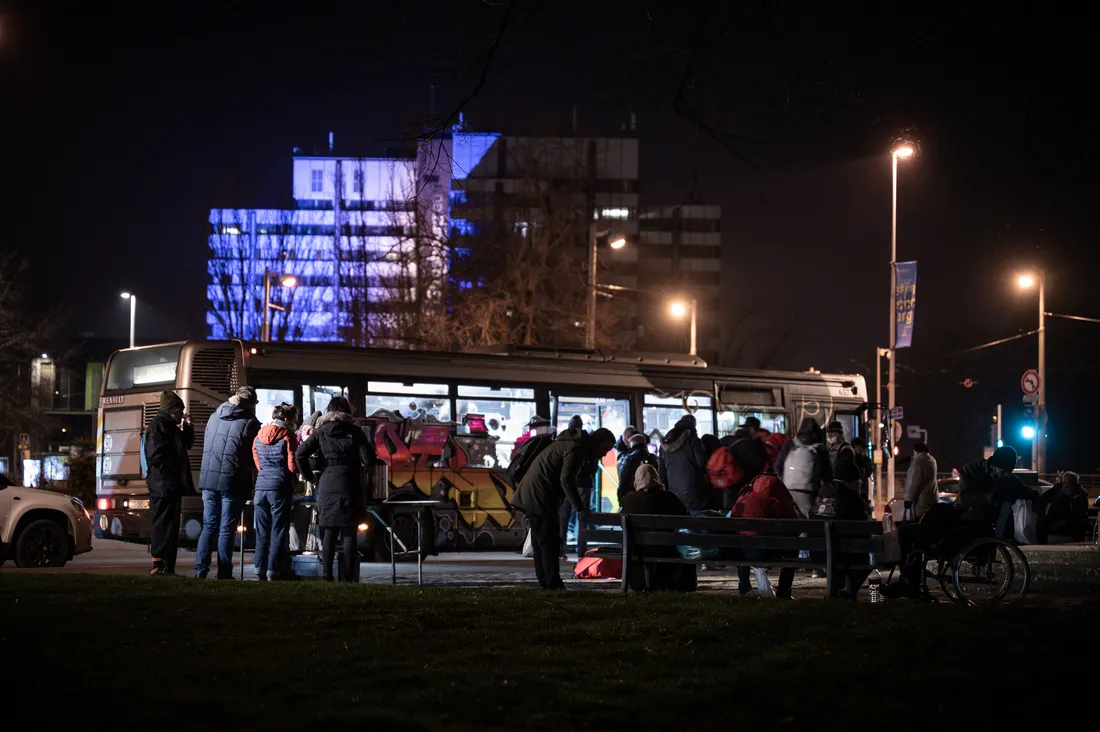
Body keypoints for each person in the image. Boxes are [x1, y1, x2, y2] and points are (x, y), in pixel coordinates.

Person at [510, 427, 616, 589]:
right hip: (539, 496)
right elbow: (566, 480)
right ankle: (553, 584)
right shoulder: (576, 449)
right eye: (604, 449)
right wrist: (580, 508)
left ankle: (546, 582)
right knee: (549, 541)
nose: (604, 454)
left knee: (541, 542)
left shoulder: (570, 444)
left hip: (532, 494)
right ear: (597, 442)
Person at [295, 396, 377, 582]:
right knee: (349, 532)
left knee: (329, 532)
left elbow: (300, 454)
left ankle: (327, 575)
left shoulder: (321, 431)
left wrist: (310, 477)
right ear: (347, 410)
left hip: (327, 484)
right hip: (351, 484)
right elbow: (369, 460)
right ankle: (349, 577)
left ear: (329, 410)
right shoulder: (355, 431)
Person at [195, 386, 261, 579]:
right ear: (250, 404)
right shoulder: (250, 422)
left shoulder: (214, 416)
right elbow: (253, 455)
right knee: (226, 529)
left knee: (209, 526)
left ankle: (201, 568)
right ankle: (224, 571)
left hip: (208, 480)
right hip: (232, 481)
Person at [620, 464, 696, 592]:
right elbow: (687, 521)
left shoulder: (628, 500)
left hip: (639, 549)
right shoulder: (671, 498)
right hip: (667, 549)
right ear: (656, 478)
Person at [143, 391, 194, 576]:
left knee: (170, 527)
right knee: (163, 525)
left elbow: (184, 445)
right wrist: (172, 473)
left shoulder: (169, 426)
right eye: (181, 410)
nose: (182, 414)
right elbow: (156, 456)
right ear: (172, 410)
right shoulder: (159, 426)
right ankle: (159, 565)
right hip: (164, 485)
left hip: (169, 485)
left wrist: (188, 428)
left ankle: (167, 567)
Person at [731, 472, 799, 598]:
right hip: (766, 551)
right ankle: (784, 591)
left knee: (742, 543)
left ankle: (744, 588)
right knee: (793, 548)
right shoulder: (779, 500)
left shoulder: (744, 497)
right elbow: (795, 526)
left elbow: (733, 523)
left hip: (745, 553)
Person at [811, 457, 871, 598]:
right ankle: (848, 593)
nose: (859, 484)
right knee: (865, 557)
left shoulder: (821, 494)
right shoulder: (853, 500)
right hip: (842, 554)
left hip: (818, 554)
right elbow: (862, 532)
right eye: (858, 481)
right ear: (851, 481)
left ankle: (838, 591)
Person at [252, 402, 299, 581]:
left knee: (262, 531)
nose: (295, 421)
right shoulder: (287, 435)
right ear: (287, 418)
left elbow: (258, 463)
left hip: (260, 487)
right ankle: (274, 570)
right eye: (294, 418)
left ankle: (259, 568)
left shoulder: (258, 436)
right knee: (279, 530)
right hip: (279, 486)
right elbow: (292, 465)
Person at [956, 445, 1038, 538]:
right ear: (993, 465)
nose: (1006, 475)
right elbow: (965, 498)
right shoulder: (972, 470)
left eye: (1009, 471)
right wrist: (988, 497)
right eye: (1003, 471)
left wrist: (1036, 495)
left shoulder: (1008, 479)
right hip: (969, 518)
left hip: (994, 522)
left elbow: (1022, 489)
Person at [775, 418, 832, 519]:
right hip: (808, 491)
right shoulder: (819, 448)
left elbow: (777, 466)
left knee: (789, 518)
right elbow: (827, 474)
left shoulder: (791, 444)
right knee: (807, 521)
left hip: (788, 489)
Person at [658, 414, 710, 514]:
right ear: (693, 425)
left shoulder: (665, 445)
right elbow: (703, 464)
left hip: (674, 495)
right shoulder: (694, 441)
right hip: (695, 494)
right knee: (697, 526)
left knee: (679, 525)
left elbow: (662, 473)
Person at [1035, 471, 1089, 543]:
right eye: (1064, 483)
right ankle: (1042, 546)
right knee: (1041, 524)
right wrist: (1041, 514)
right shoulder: (1057, 488)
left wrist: (1074, 498)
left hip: (1073, 519)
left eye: (1069, 483)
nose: (1066, 486)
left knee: (1078, 525)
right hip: (1055, 516)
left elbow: (1080, 513)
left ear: (1076, 484)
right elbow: (1043, 498)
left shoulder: (1081, 494)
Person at [616, 431, 656, 502]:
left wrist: (620, 498)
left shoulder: (629, 458)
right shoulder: (653, 458)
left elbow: (623, 479)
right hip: (652, 496)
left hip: (633, 495)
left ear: (632, 444)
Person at [904, 442, 938, 519]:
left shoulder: (917, 462)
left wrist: (908, 500)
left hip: (921, 503)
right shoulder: (932, 460)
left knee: (920, 527)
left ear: (916, 451)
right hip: (933, 501)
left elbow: (913, 483)